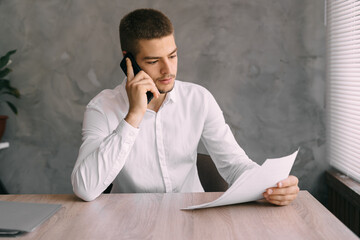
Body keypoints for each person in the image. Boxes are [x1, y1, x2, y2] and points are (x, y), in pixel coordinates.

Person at [71, 8, 299, 204]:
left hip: (193, 219)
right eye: (153, 61)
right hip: (130, 222)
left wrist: (272, 186)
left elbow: (234, 164)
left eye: (172, 56)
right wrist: (134, 115)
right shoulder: (101, 108)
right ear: (127, 60)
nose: (167, 70)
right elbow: (85, 188)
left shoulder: (199, 99)